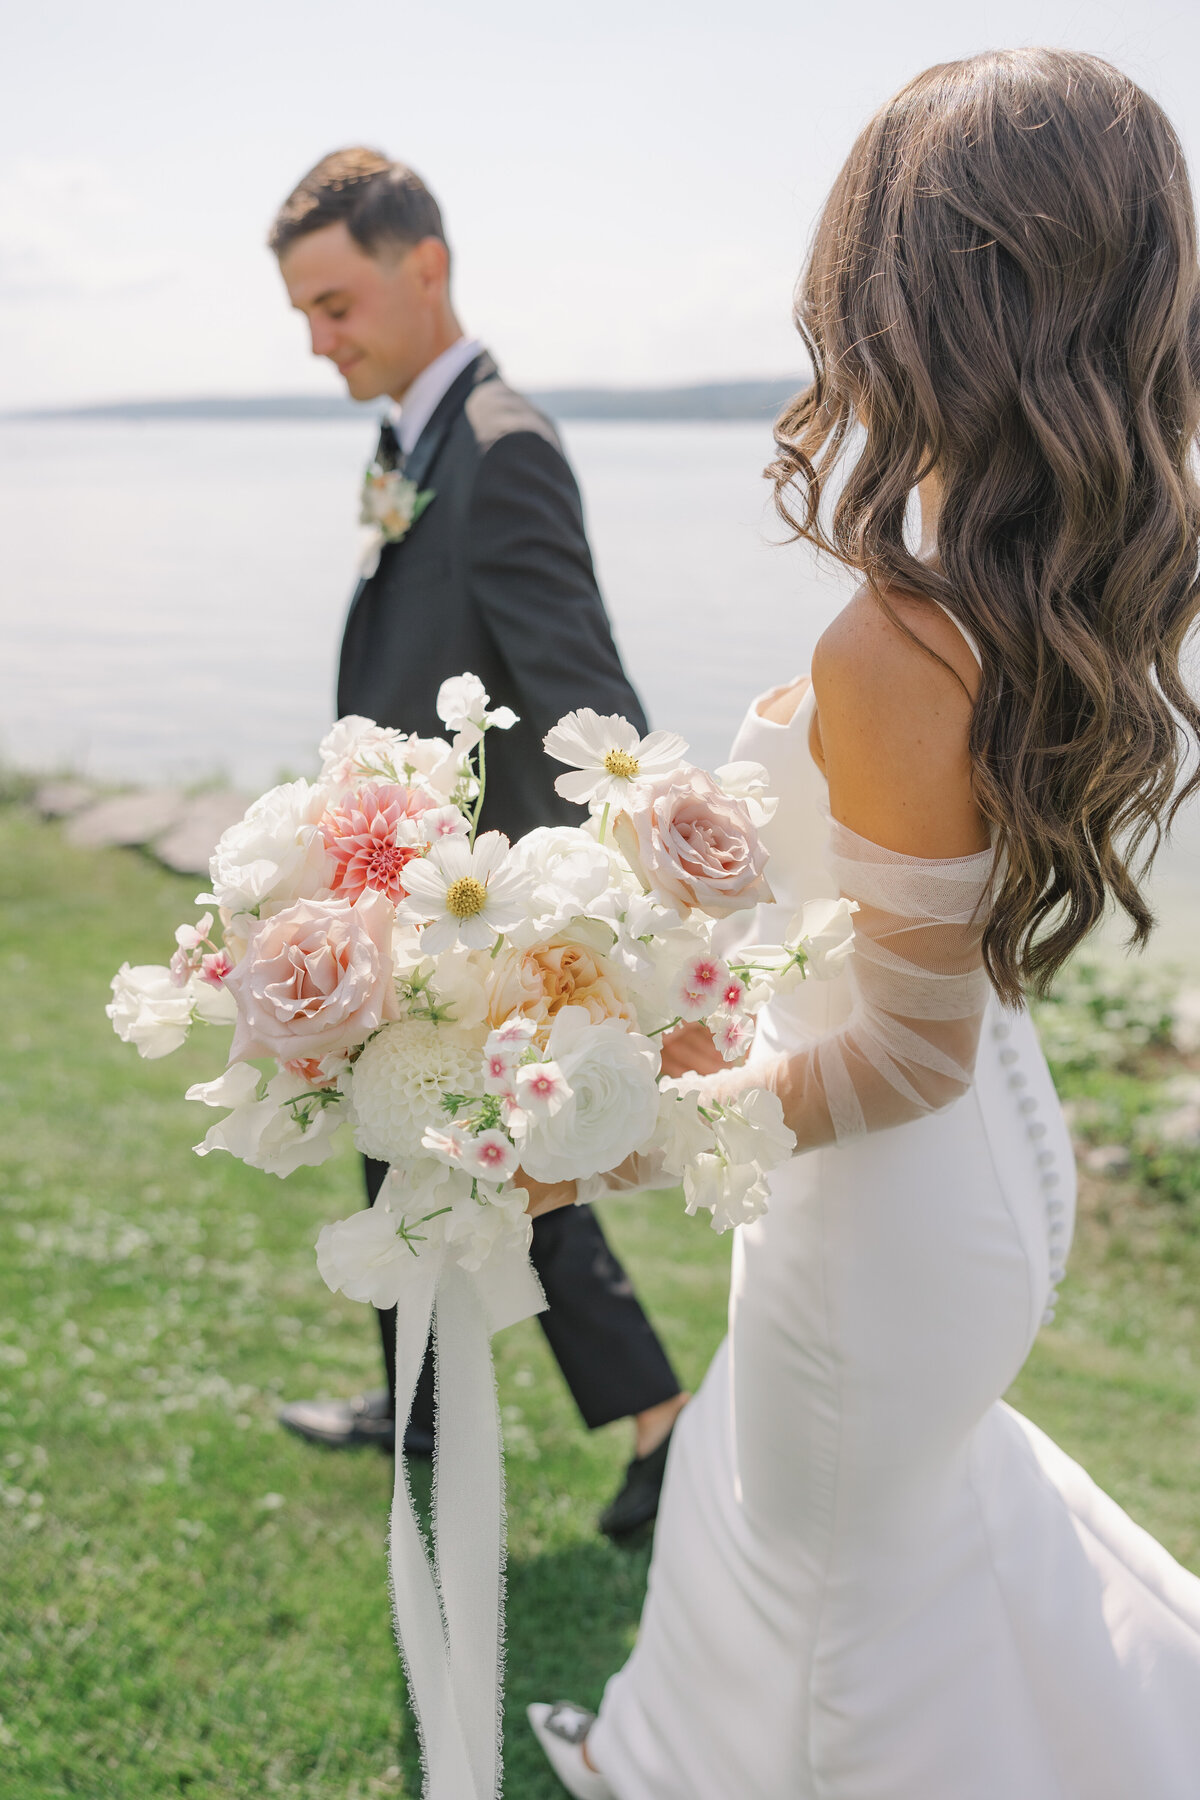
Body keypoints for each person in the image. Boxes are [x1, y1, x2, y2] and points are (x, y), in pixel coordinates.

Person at [526, 49, 1200, 1799]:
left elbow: (899, 1049)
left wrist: (626, 1143)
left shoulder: (901, 636)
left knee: (835, 1604)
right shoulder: (1021, 591)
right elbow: (921, 989)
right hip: (985, 1156)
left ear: (924, 289)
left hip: (891, 1208)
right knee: (844, 1565)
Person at [267, 148, 686, 1538]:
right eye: (304, 315)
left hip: (478, 914)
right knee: (400, 1151)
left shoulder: (500, 447)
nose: (321, 340)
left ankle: (662, 1424)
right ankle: (426, 1407)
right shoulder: (417, 442)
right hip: (402, 896)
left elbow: (587, 698)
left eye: (335, 304)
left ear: (422, 267)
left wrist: (561, 927)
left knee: (515, 1174)